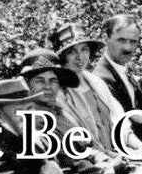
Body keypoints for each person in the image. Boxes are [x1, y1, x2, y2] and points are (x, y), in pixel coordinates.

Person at [17, 48, 126, 174]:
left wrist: (112, 157)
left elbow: (87, 147)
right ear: (28, 85)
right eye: (39, 81)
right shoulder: (33, 122)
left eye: (53, 80)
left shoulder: (59, 112)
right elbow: (65, 168)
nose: (48, 87)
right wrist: (108, 169)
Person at [48, 22, 132, 154]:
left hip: (117, 153)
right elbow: (73, 139)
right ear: (63, 56)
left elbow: (122, 124)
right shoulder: (59, 93)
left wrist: (140, 147)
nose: (80, 57)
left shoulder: (96, 82)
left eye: (84, 49)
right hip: (91, 162)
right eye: (72, 52)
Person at [92, 14, 142, 143]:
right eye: (121, 40)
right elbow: (127, 123)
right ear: (106, 39)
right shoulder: (101, 79)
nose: (128, 48)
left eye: (133, 42)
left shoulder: (126, 69)